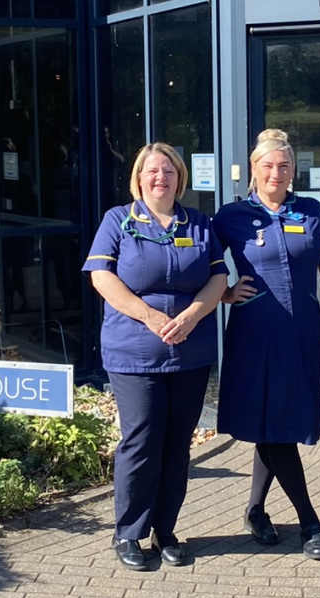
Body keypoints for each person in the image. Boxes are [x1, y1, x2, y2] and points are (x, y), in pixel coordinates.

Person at [82, 143, 228, 571]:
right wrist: (149, 316)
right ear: (139, 178)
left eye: (168, 171)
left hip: (190, 352)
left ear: (180, 178)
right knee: (141, 441)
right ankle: (129, 532)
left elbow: (219, 277)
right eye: (152, 171)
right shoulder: (118, 221)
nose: (160, 177)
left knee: (176, 444)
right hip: (134, 353)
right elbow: (100, 276)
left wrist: (191, 315)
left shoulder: (198, 224)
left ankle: (166, 529)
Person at [213, 129, 320, 561]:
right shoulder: (230, 215)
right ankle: (310, 521)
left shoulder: (310, 211)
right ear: (254, 169)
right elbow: (198, 266)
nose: (277, 172)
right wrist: (224, 292)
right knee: (272, 426)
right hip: (254, 336)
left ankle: (255, 509)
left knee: (280, 422)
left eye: (284, 166)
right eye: (268, 165)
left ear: (293, 170)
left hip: (301, 335)